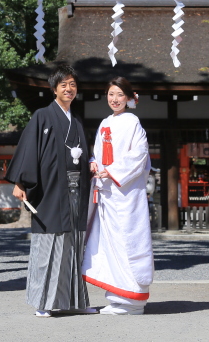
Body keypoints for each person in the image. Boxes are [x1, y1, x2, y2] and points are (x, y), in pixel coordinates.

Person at [4, 65, 94, 317]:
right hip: (50, 192)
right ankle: (42, 302)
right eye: (63, 84)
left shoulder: (76, 121)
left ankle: (76, 301)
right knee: (49, 244)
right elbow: (29, 150)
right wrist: (20, 182)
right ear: (54, 89)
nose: (69, 89)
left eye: (73, 84)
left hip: (75, 191)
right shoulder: (42, 116)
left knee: (74, 245)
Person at [82, 76, 154, 315]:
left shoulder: (133, 122)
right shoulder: (104, 123)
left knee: (128, 241)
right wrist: (94, 163)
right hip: (107, 193)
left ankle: (131, 300)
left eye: (119, 95)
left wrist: (111, 171)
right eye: (111, 94)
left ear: (129, 98)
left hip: (126, 193)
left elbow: (139, 155)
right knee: (109, 243)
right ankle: (117, 298)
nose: (114, 99)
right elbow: (98, 153)